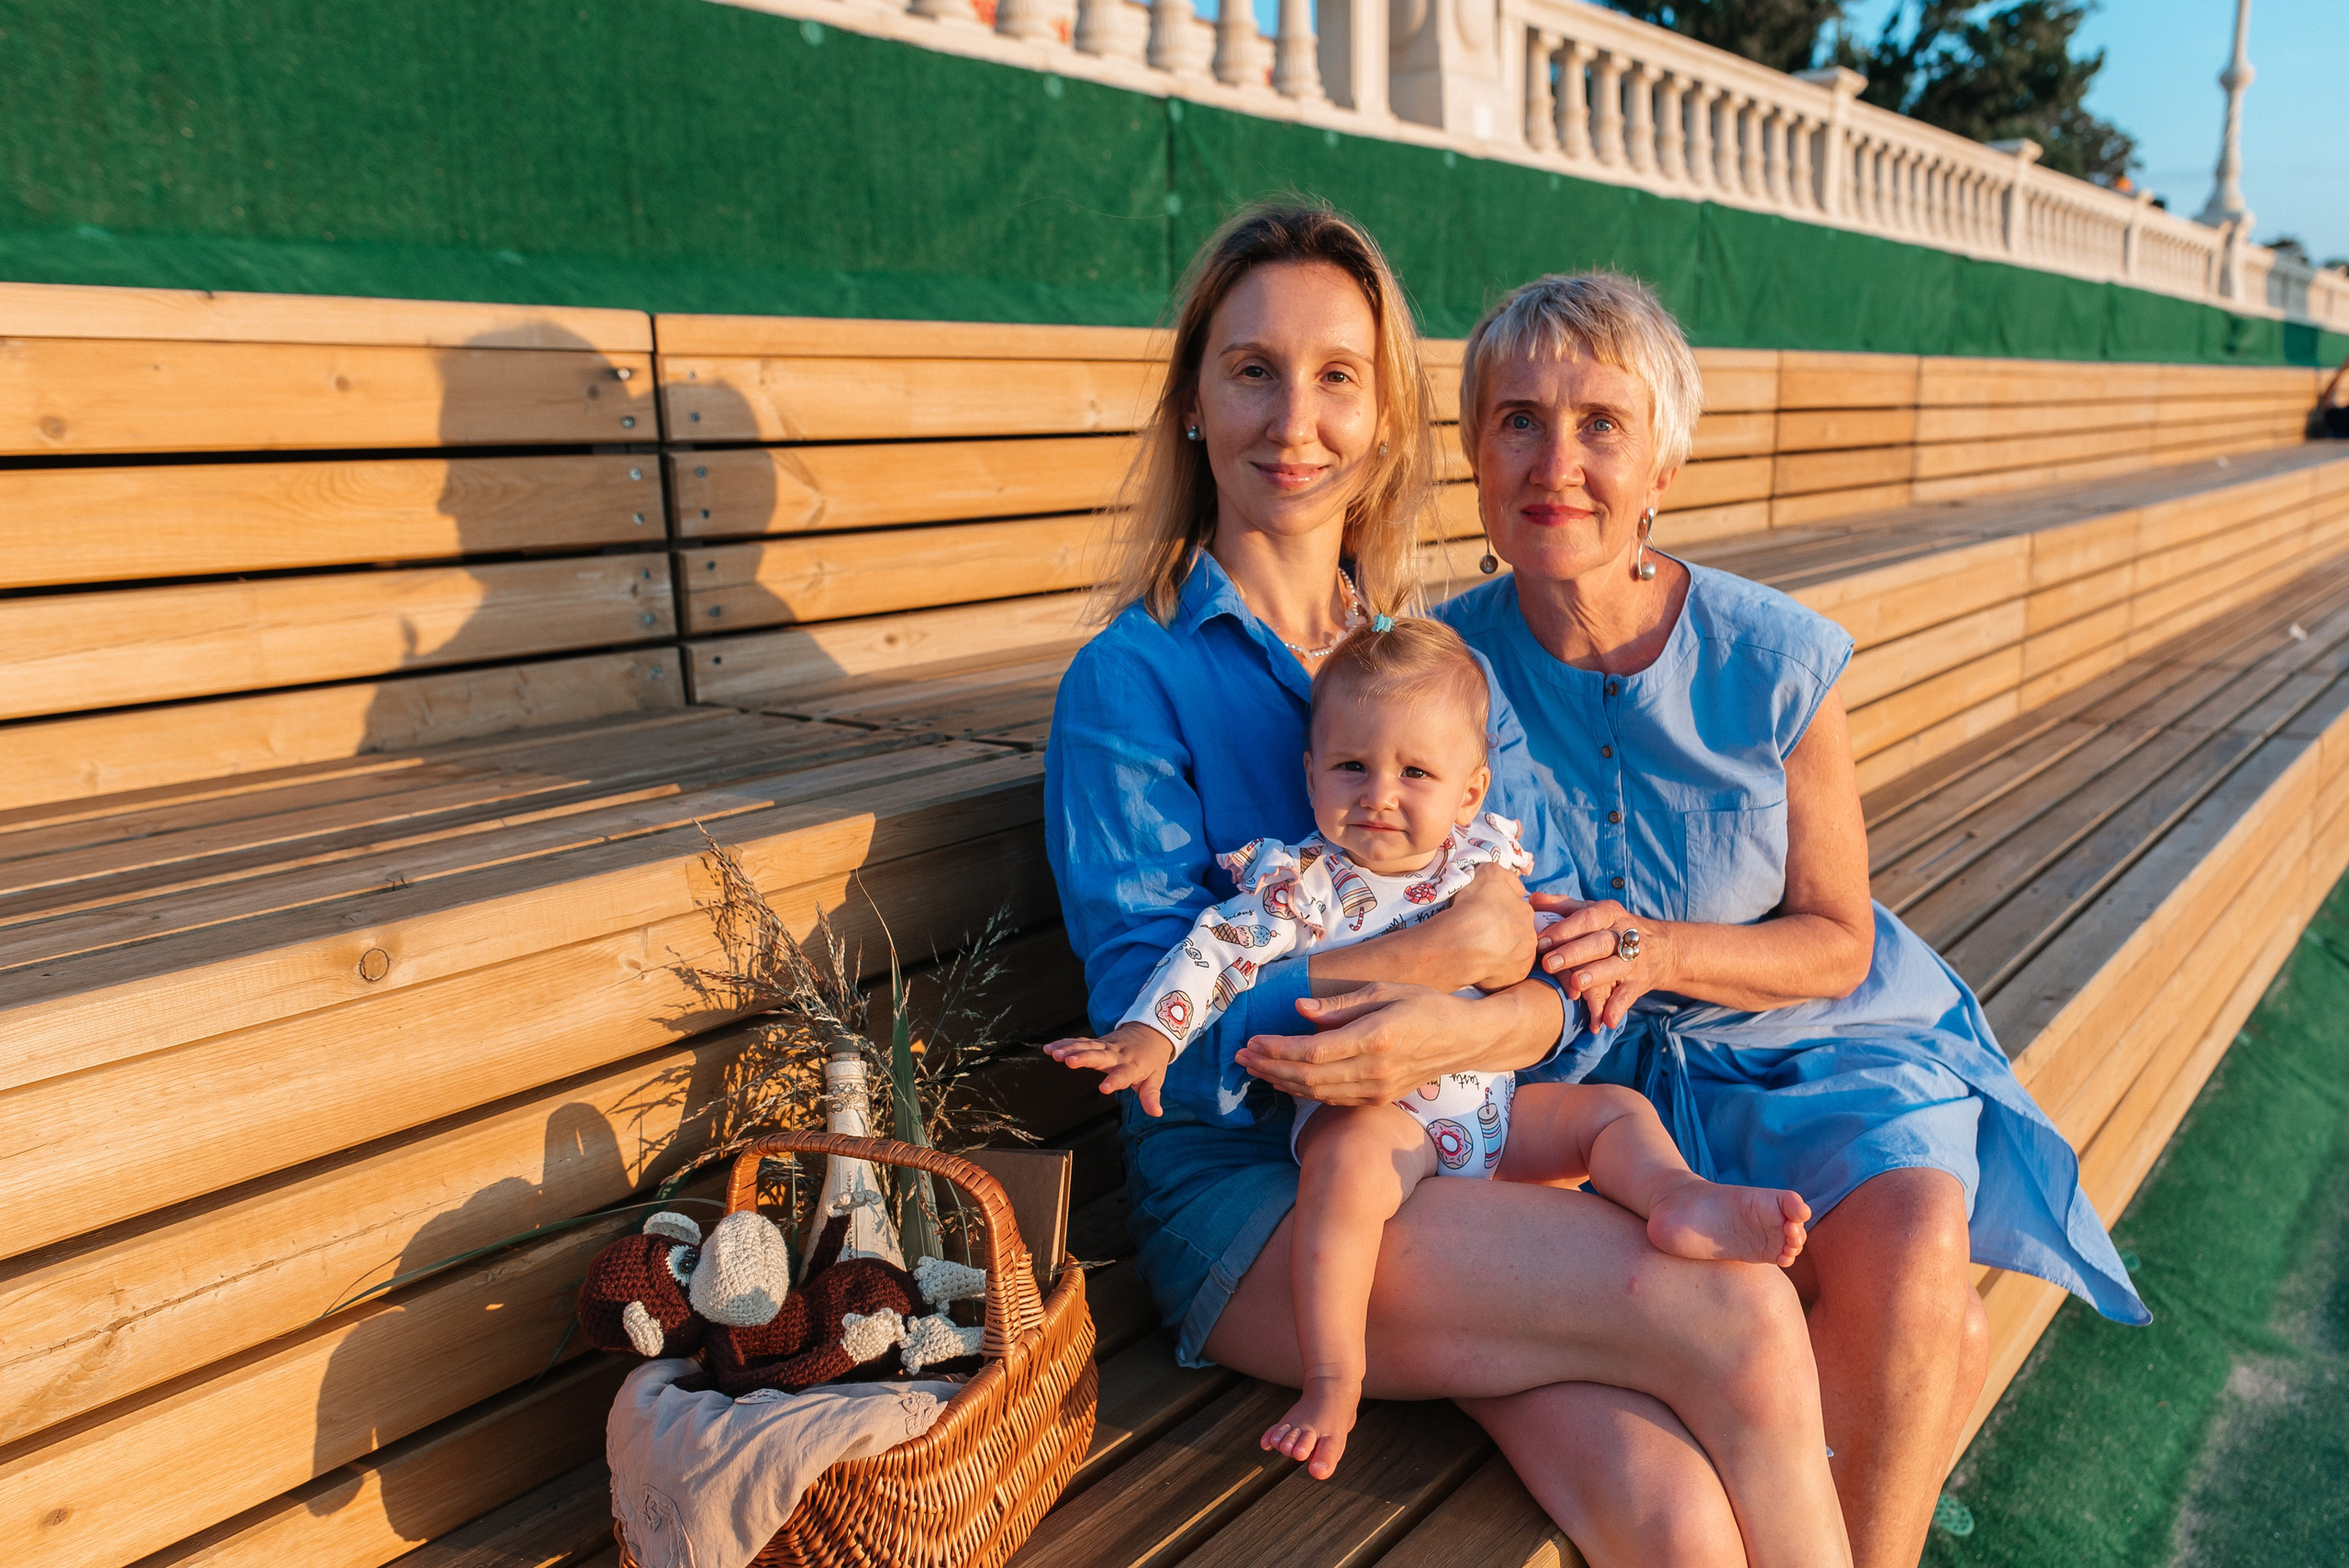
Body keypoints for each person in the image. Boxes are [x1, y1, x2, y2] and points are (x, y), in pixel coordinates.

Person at [1044, 201, 1853, 1567]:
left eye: (1336, 377)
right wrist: (1415, 972)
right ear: (1192, 401)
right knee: (1740, 1317)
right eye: (1252, 370)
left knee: (1671, 1516)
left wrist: (1475, 1013)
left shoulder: (1432, 667)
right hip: (1264, 1208)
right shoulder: (1134, 681)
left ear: (1379, 422)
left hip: (1460, 1139)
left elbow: (1556, 992)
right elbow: (1155, 1048)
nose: (1293, 419)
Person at [1392, 270, 2150, 1568]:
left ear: (1663, 467)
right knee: (1944, 1339)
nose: (1555, 460)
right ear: (1472, 450)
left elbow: (1836, 940)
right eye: (1516, 418)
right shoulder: (1436, 668)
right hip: (1586, 1086)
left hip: (1797, 1037)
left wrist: (1657, 947)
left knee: (1917, 1234)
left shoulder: (1776, 655)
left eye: (1599, 426)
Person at [1045, 616, 1810, 1481]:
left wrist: (1523, 972)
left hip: (1490, 1107)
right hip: (1382, 1117)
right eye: (1350, 768)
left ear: (1471, 789)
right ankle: (1335, 1374)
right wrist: (1151, 1034)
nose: (1379, 794)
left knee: (1613, 1112)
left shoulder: (1479, 860)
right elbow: (1211, 954)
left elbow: (1564, 974)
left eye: (1415, 773)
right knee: (1347, 1173)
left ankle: (1678, 1196)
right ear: (1310, 773)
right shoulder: (1304, 887)